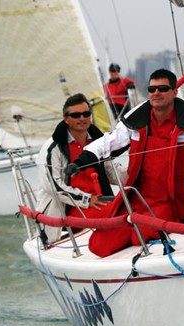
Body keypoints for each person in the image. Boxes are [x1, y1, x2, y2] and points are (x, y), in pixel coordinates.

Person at [66, 69, 184, 257]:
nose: (156, 92)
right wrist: (80, 161)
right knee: (98, 246)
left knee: (139, 236)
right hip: (135, 198)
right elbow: (109, 141)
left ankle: (130, 229)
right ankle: (128, 227)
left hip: (169, 203)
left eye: (162, 88)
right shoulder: (138, 122)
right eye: (152, 88)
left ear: (174, 92)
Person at [35, 93, 125, 244]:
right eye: (76, 115)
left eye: (86, 114)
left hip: (100, 202)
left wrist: (139, 174)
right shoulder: (53, 147)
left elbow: (111, 171)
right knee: (120, 217)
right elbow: (53, 186)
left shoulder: (98, 141)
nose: (82, 118)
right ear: (66, 119)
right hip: (71, 207)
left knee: (133, 209)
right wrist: (86, 200)